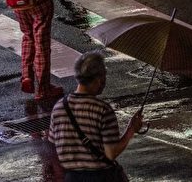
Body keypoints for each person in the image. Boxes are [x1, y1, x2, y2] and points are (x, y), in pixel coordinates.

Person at [48, 51, 144, 182]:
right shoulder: (102, 110)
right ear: (99, 79)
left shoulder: (59, 107)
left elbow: (53, 147)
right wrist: (131, 130)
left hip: (71, 177)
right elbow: (111, 153)